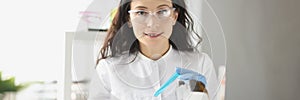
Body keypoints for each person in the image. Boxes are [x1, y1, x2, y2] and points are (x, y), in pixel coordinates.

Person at [88, 0, 218, 100]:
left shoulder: (200, 64)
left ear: (174, 16)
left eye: (162, 12)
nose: (152, 23)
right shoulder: (108, 69)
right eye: (141, 13)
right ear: (129, 19)